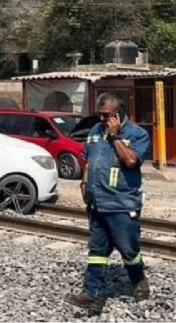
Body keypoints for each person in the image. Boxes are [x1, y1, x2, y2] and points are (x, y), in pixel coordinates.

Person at [65, 93, 151, 312]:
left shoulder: (137, 134)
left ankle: (139, 281)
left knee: (129, 250)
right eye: (99, 115)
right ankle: (92, 294)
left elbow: (131, 161)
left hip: (121, 204)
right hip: (97, 204)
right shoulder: (94, 131)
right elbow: (88, 161)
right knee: (97, 251)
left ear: (119, 113)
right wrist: (84, 185)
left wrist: (114, 137)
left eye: (106, 115)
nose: (102, 120)